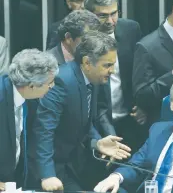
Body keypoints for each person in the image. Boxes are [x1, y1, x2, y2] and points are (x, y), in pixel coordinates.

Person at [27, 31, 131, 191]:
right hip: (47, 169)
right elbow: (43, 130)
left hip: (71, 164)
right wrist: (47, 175)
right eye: (107, 65)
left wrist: (96, 142)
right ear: (87, 63)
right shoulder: (62, 80)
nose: (112, 71)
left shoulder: (92, 79)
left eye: (113, 65)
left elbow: (84, 120)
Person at [84, 0, 145, 153]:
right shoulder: (79, 38)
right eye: (102, 15)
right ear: (89, 14)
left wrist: (142, 105)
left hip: (130, 120)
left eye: (114, 13)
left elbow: (140, 72)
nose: (111, 21)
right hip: (94, 126)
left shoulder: (131, 29)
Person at [0, 49, 59, 191]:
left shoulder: (30, 99)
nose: (53, 86)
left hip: (14, 181)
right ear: (32, 85)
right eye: (50, 83)